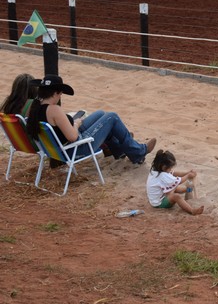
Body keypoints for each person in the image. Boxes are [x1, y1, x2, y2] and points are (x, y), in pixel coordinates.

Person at [25, 75, 155, 164]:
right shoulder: (54, 110)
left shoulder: (34, 107)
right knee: (111, 117)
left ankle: (119, 149)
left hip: (57, 150)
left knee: (100, 114)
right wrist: (75, 124)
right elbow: (73, 137)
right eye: (60, 94)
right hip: (75, 149)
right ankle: (138, 152)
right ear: (56, 93)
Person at [146, 150, 204, 215]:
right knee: (176, 196)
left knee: (174, 187)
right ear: (164, 167)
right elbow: (178, 181)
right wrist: (188, 176)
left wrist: (187, 172)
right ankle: (192, 210)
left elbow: (174, 173)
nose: (171, 169)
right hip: (159, 203)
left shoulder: (155, 170)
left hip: (157, 197)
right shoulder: (163, 176)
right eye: (170, 168)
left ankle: (188, 190)